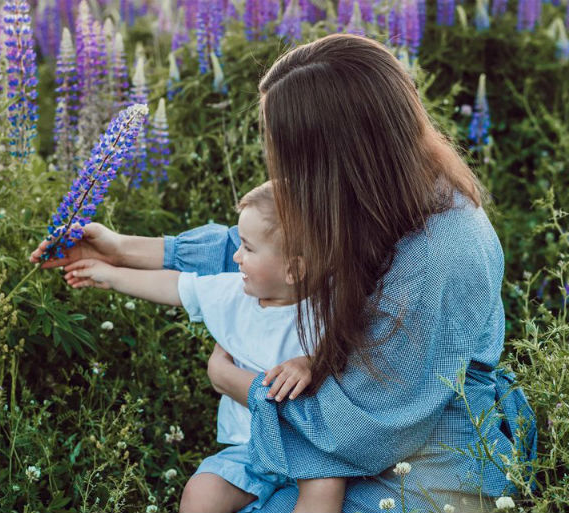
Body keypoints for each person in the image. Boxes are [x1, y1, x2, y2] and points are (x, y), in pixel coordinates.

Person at [32, 34, 536, 513]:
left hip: (429, 467)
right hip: (367, 435)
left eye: (288, 152)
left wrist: (235, 382)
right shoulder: (388, 193)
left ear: (338, 157)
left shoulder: (439, 256)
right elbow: (271, 247)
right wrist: (122, 250)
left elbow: (365, 431)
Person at [59, 182, 347, 513]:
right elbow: (175, 287)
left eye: (248, 248)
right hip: (250, 449)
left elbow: (350, 355)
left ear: (293, 270)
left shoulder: (328, 307)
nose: (236, 256)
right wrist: (108, 274)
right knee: (202, 490)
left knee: (325, 487)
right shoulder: (234, 294)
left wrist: (310, 362)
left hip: (311, 448)